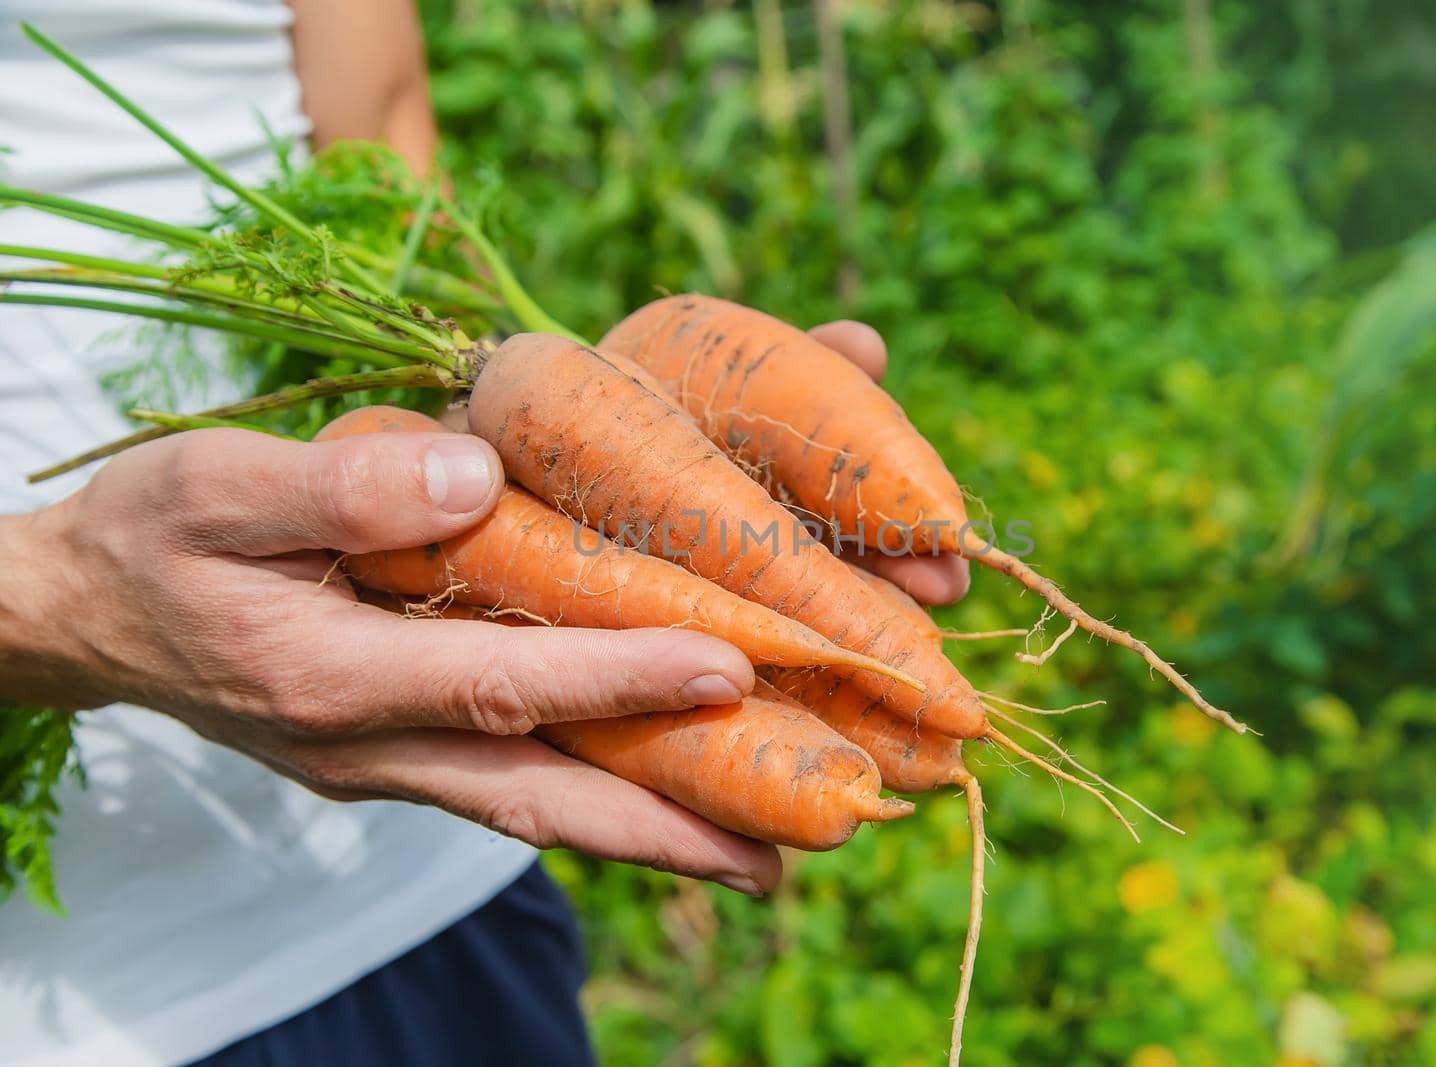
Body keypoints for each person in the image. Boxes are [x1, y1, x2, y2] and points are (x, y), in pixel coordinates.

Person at [0, 2, 969, 1064]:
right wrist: (51, 598)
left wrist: (541, 410)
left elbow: (379, 133)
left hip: (440, 843)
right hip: (88, 999)